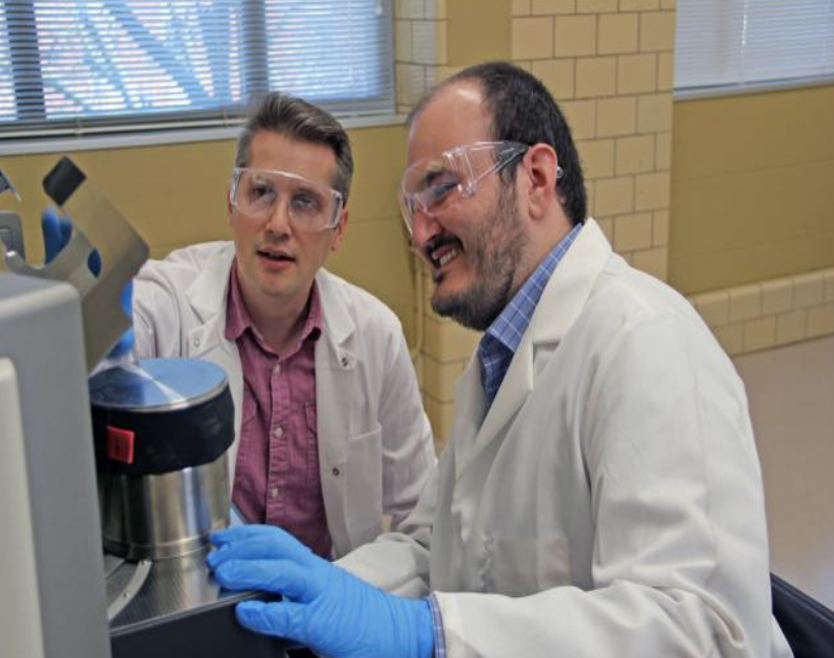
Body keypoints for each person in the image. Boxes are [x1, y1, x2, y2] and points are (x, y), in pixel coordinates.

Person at [205, 62, 794, 657]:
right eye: (412, 205)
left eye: (441, 188)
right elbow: (436, 546)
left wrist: (427, 634)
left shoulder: (646, 342)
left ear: (536, 178)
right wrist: (328, 589)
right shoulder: (499, 362)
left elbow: (702, 631)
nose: (420, 232)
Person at [47, 91, 437, 559]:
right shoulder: (171, 297)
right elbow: (124, 330)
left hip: (327, 602)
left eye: (306, 202)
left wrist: (352, 596)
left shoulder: (377, 336)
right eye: (261, 192)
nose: (277, 223)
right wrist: (90, 332)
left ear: (339, 228)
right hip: (197, 595)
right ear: (232, 203)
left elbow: (423, 516)